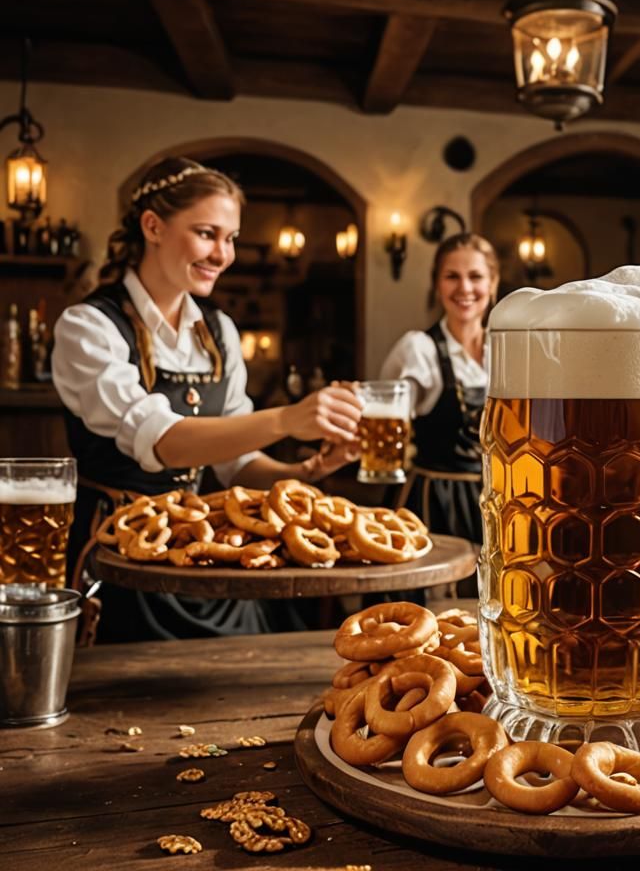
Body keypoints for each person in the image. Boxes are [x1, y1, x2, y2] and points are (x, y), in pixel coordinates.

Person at [53, 156, 362, 642]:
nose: (223, 254)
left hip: (204, 553)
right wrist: (286, 418)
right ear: (152, 226)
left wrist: (307, 471)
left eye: (231, 237)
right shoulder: (88, 326)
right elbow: (166, 444)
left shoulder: (218, 330)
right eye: (206, 233)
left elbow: (235, 465)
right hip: (117, 558)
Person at [379, 233, 498, 592]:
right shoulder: (418, 348)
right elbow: (388, 413)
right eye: (452, 276)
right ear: (436, 284)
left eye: (475, 276)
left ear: (492, 283)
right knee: (430, 602)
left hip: (495, 499)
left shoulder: (507, 349)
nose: (465, 287)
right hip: (433, 500)